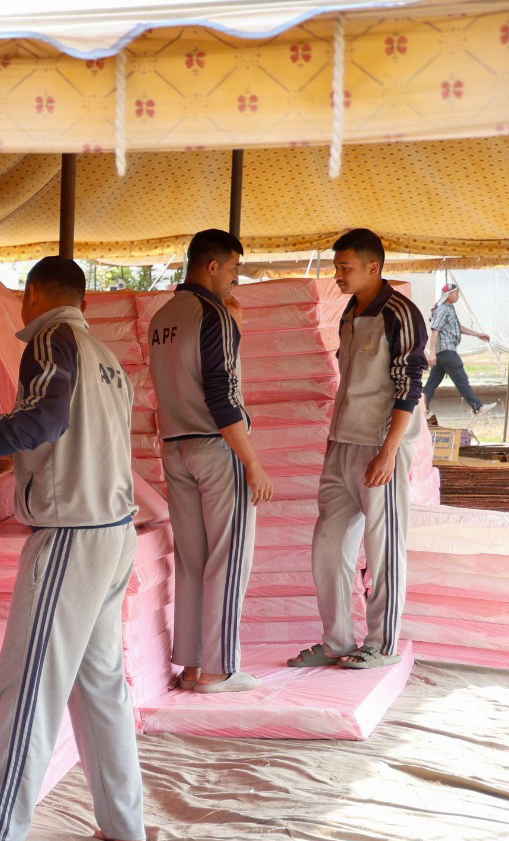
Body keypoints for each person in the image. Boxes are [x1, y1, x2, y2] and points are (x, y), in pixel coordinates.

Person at [0, 256, 146, 841]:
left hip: (71, 538)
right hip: (113, 534)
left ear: (34, 294)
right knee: (99, 686)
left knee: (27, 685)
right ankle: (125, 822)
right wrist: (10, 456)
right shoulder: (104, 358)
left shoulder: (50, 337)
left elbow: (44, 416)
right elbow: (72, 435)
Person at [288, 229, 426, 671]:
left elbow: (410, 385)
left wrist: (389, 451)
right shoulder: (351, 310)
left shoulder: (400, 312)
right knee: (328, 543)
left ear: (374, 267)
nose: (337, 275)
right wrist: (332, 439)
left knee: (383, 545)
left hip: (379, 446)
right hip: (343, 442)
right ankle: (336, 640)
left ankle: (382, 644)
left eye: (345, 267)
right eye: (336, 266)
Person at [147, 230, 273, 694]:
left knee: (193, 557)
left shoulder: (162, 316)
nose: (237, 279)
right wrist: (252, 462)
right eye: (235, 268)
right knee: (227, 556)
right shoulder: (212, 314)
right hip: (216, 447)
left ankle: (194, 666)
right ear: (213, 266)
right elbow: (224, 396)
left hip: (174, 445)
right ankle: (221, 669)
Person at [424, 282, 497, 418]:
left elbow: (458, 327)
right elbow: (435, 330)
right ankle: (478, 407)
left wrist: (478, 334)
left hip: (444, 354)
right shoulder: (442, 309)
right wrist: (432, 353)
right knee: (461, 380)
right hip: (446, 351)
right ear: (449, 295)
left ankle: (421, 410)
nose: (458, 296)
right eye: (456, 293)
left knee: (431, 383)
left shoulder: (449, 308)